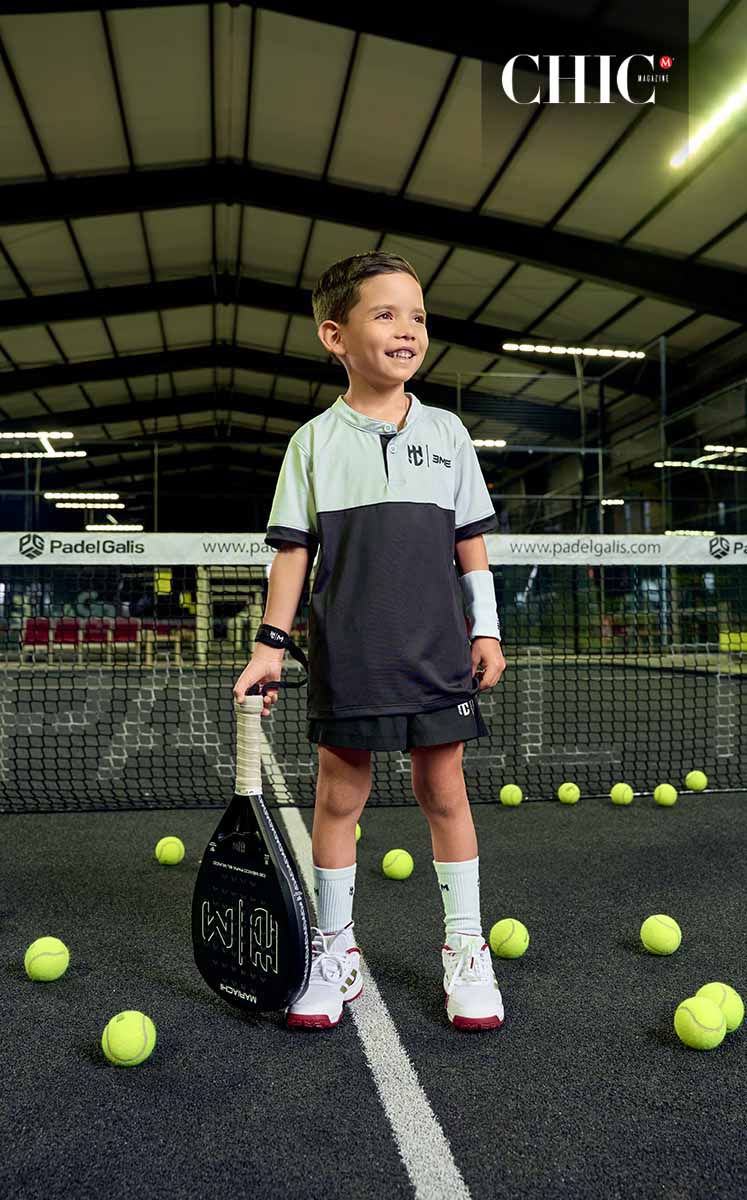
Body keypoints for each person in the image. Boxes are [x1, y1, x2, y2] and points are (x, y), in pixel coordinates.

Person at [234, 251, 506, 1031]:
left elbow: (469, 544)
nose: (407, 329)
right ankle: (334, 951)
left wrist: (485, 628)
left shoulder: (449, 433)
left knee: (444, 792)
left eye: (416, 316)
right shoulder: (312, 443)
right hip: (348, 657)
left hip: (437, 654)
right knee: (337, 796)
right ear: (335, 336)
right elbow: (292, 553)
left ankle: (464, 949)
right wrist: (269, 645)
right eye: (384, 314)